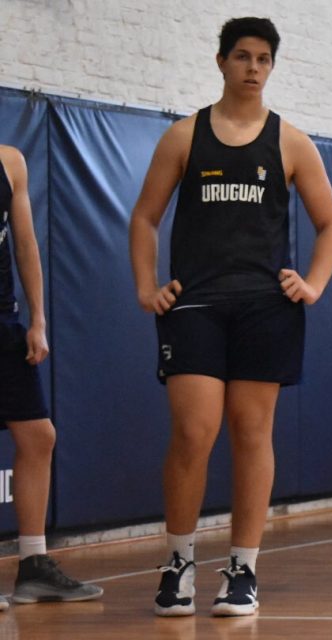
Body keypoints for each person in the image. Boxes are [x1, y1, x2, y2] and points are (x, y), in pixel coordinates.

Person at [129, 17, 332, 617]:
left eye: (264, 59)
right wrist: (147, 287)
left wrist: (314, 283)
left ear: (272, 67)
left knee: (253, 435)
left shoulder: (290, 142)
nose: (253, 68)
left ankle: (243, 570)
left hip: (265, 309)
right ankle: (178, 563)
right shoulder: (183, 136)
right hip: (195, 305)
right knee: (195, 432)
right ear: (221, 61)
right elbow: (145, 218)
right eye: (243, 57)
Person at [0, 145, 105, 610]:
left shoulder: (10, 162)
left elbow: (24, 242)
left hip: (3, 321)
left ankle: (34, 566)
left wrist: (38, 318)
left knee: (39, 437)